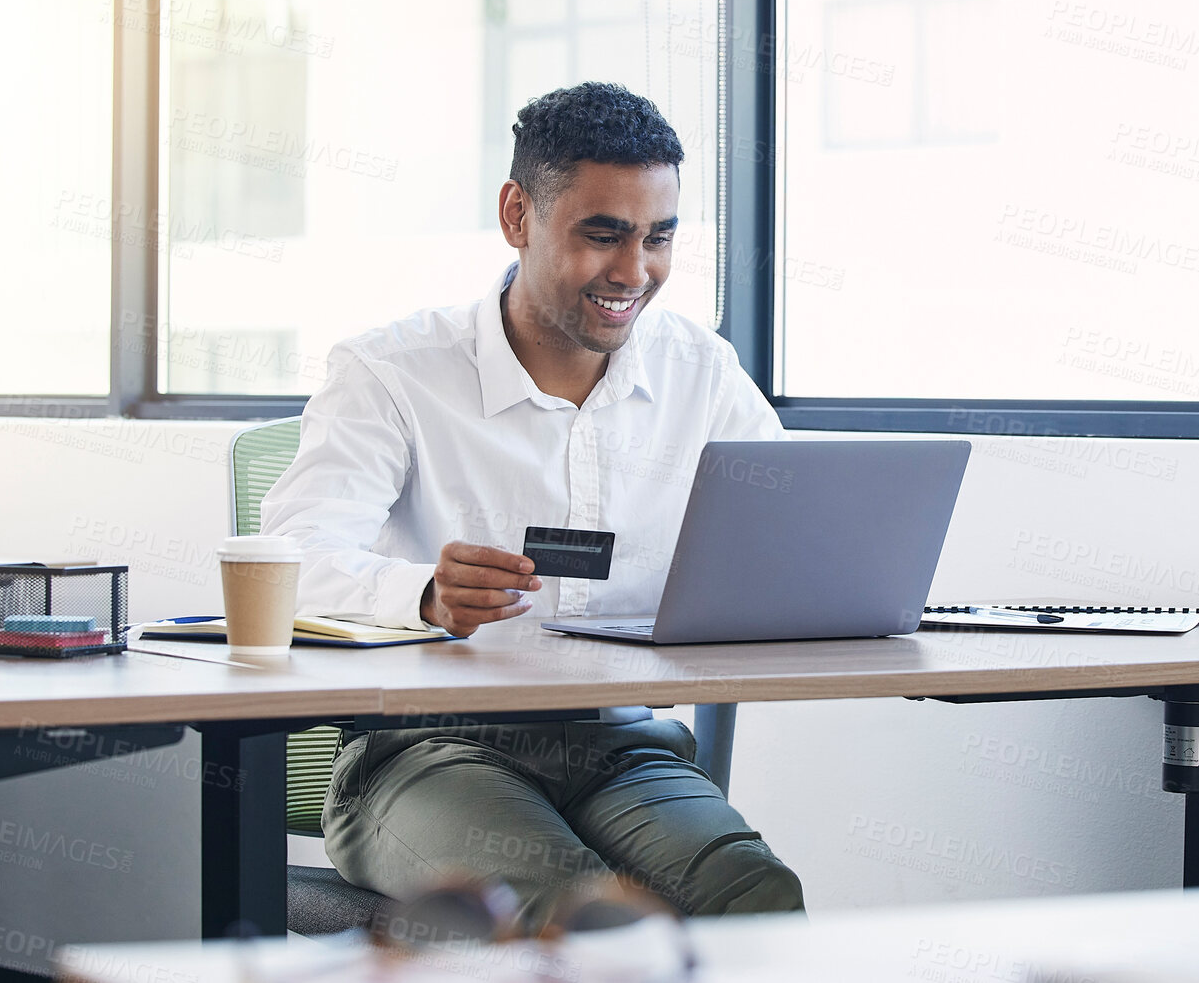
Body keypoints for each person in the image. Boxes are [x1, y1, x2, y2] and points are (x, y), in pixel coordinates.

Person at [262, 82, 803, 926]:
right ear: (518, 215)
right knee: (575, 912)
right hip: (424, 750)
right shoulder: (391, 372)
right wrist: (422, 597)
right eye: (602, 235)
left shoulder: (700, 371)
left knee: (756, 898)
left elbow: (789, 545)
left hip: (625, 747)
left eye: (658, 238)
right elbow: (288, 562)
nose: (634, 272)